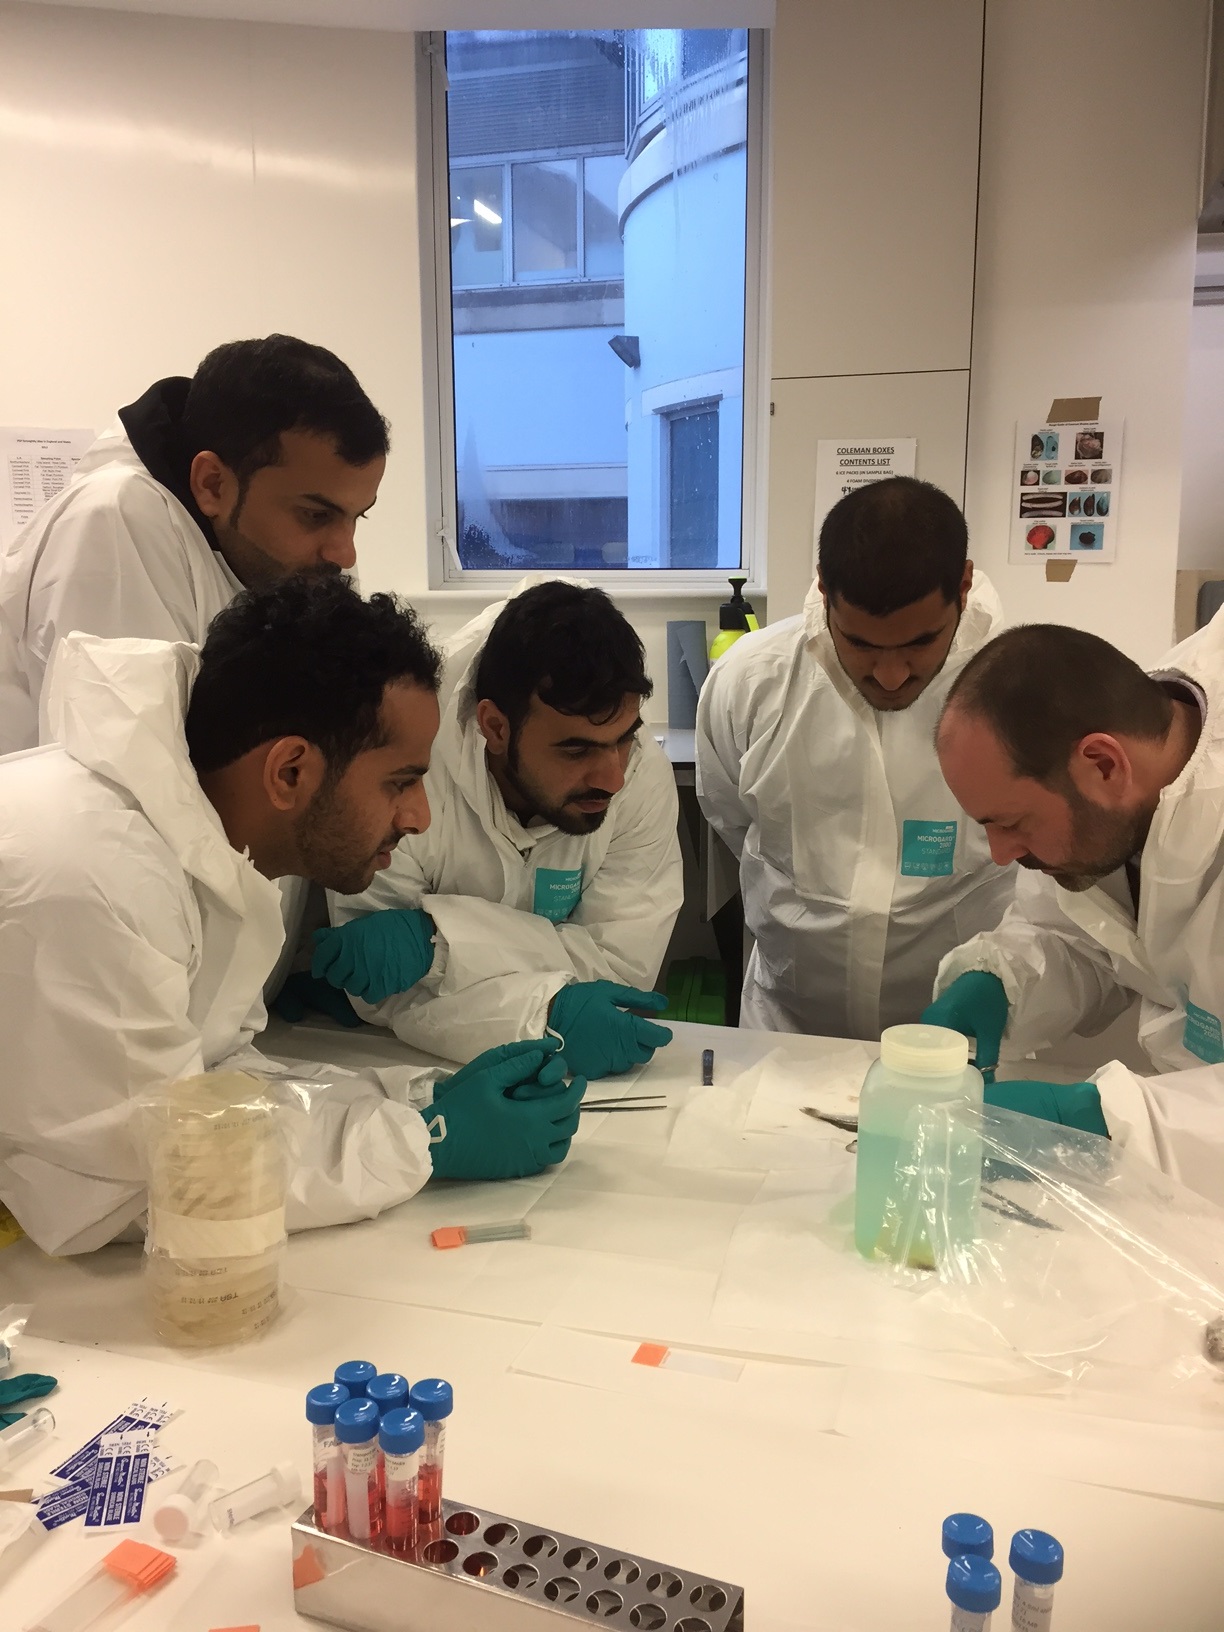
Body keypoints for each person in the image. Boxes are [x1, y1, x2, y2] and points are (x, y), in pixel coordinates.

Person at [0, 573, 585, 1257]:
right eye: (400, 781)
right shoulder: (94, 874)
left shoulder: (214, 850)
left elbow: (217, 1085)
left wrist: (412, 1097)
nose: (419, 817)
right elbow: (154, 1178)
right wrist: (423, 1137)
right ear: (289, 773)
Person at [313, 580, 683, 1080]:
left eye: (624, 741)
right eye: (576, 751)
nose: (612, 777)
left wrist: (439, 943)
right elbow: (383, 992)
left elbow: (617, 972)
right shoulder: (403, 762)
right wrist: (545, 1015)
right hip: (393, 1066)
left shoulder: (641, 781)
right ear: (496, 727)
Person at [695, 476, 1012, 1041]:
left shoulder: (1019, 689)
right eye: (861, 643)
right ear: (824, 590)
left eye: (919, 643)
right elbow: (730, 817)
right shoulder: (750, 680)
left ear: (963, 586)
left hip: (957, 1038)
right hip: (789, 1028)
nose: (890, 675)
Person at [923, 618, 1224, 1185]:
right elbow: (1085, 933)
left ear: (1105, 764)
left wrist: (1110, 1123)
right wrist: (1003, 983)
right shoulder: (1127, 766)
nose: (1000, 854)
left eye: (1011, 823)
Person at [0, 333, 388, 754]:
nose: (345, 554)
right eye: (316, 514)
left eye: (358, 515)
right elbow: (138, 777)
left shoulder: (300, 562)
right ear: (213, 484)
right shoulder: (116, 520)